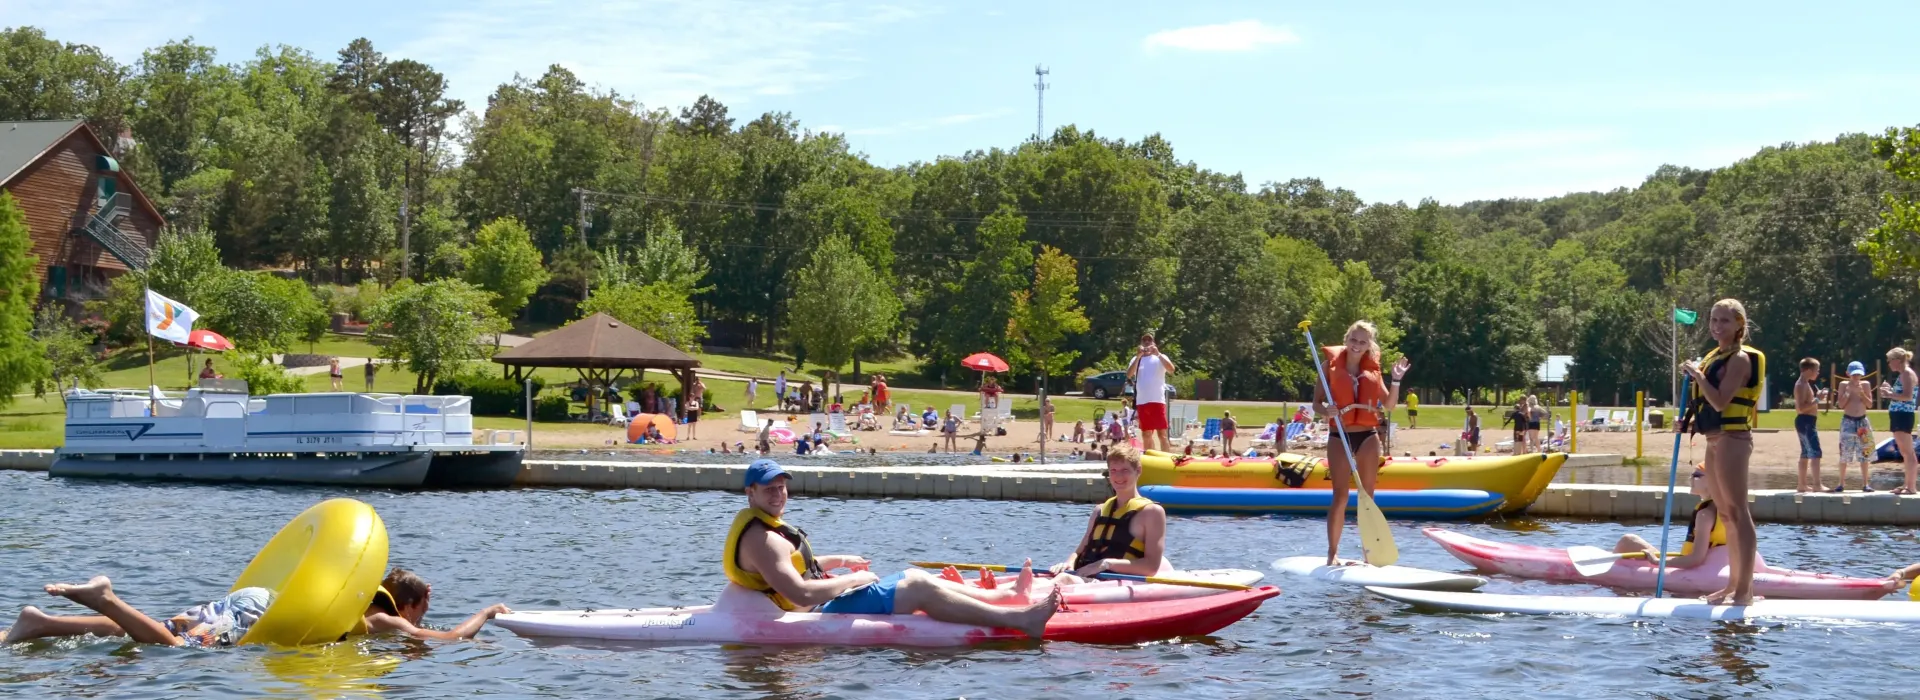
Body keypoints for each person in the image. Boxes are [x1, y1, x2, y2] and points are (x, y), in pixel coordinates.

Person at [725, 460, 1058, 638]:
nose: (778, 494)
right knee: (916, 587)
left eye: (782, 487)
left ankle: (1004, 597)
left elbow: (795, 565)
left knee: (913, 574)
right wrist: (849, 581)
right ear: (750, 493)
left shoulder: (765, 529)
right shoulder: (762, 538)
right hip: (812, 614)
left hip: (816, 603)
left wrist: (841, 560)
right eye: (769, 488)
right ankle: (1020, 620)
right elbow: (800, 594)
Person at [2, 568, 509, 646]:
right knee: (178, 648)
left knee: (168, 625)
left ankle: (40, 622)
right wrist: (486, 613)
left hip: (259, 598)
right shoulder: (382, 616)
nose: (416, 620)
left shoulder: (355, 596)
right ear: (415, 601)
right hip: (259, 616)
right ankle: (106, 597)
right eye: (421, 608)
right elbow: (446, 640)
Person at [1679, 298, 1762, 606]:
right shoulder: (1716, 355)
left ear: (1739, 324)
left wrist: (1698, 375)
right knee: (1725, 514)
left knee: (1739, 512)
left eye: (1724, 321)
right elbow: (1704, 405)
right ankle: (1731, 586)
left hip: (1733, 439)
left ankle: (1745, 591)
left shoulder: (1740, 359)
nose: (1717, 326)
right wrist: (1685, 421)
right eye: (1713, 320)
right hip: (1713, 439)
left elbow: (1721, 402)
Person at [1313, 320, 1409, 566]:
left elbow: (1388, 406)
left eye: (1362, 342)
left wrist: (1396, 380)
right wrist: (1327, 410)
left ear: (1369, 345)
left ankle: (1368, 554)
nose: (1357, 345)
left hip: (1367, 435)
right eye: (1353, 340)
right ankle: (1332, 553)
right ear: (1346, 340)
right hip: (1340, 435)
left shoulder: (1373, 372)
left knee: (1368, 496)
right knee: (1341, 496)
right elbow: (1316, 403)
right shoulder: (1328, 366)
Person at [1047, 446, 1172, 584]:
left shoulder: (1152, 513)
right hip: (1085, 577)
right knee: (1046, 579)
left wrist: (1106, 563)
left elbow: (1151, 567)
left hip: (1113, 583)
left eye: (1125, 470)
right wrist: (1068, 563)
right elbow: (1079, 551)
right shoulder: (1099, 510)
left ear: (1138, 471)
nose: (1118, 477)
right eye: (1113, 471)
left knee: (1064, 579)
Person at [1613, 466, 1726, 572]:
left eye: (1696, 475)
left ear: (1712, 481)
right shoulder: (1730, 511)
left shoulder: (1705, 515)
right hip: (1714, 566)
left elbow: (1696, 558)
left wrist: (1659, 562)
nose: (1690, 478)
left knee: (1628, 541)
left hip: (1691, 569)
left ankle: (1613, 571)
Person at [1127, 333, 1177, 452]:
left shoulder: (1160, 357)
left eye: (1149, 340)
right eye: (1144, 341)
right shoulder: (1136, 359)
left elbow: (1171, 369)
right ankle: (1151, 457)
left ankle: (1166, 458)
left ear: (1154, 343)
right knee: (1146, 434)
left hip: (1157, 399)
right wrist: (1138, 356)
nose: (1147, 343)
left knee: (1162, 433)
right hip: (1142, 401)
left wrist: (1158, 354)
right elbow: (1129, 374)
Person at [1882, 347, 1920, 495]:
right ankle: (1907, 484)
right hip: (1900, 414)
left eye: (1890, 360)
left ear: (1897, 361)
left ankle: (1911, 487)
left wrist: (1890, 394)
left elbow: (1908, 396)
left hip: (1903, 415)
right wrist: (1891, 391)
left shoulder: (1907, 374)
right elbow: (1902, 393)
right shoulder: (1904, 374)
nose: (1889, 363)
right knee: (1905, 452)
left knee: (1908, 452)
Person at [1836, 362, 1874, 493]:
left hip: (1862, 422)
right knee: (1844, 454)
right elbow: (1841, 405)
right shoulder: (1843, 385)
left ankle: (1865, 484)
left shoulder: (1866, 385)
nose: (1856, 377)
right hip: (1848, 421)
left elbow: (1869, 404)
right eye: (1854, 375)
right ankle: (1841, 483)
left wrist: (1862, 394)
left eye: (1858, 374)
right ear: (1848, 374)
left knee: (1865, 453)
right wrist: (1847, 393)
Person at [1794, 358, 1824, 493]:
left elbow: (1807, 403)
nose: (1818, 373)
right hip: (1805, 421)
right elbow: (1800, 408)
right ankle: (1817, 485)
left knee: (1805, 454)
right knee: (1815, 453)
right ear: (1808, 370)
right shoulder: (1801, 385)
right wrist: (1817, 400)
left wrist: (1816, 397)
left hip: (1807, 421)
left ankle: (1802, 485)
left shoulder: (1805, 383)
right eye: (1816, 370)